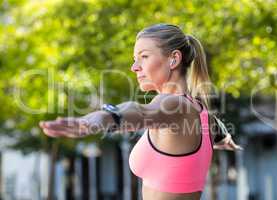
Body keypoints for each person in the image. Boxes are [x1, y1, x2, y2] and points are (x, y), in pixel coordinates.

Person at [39, 23, 242, 200]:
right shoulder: (199, 110)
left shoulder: (174, 105)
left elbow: (141, 112)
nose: (134, 67)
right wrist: (227, 141)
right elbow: (219, 130)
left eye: (144, 57)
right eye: (135, 59)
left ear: (173, 60)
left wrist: (102, 118)